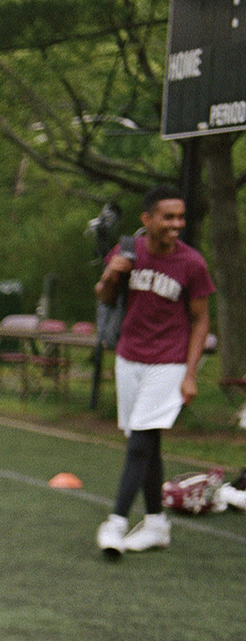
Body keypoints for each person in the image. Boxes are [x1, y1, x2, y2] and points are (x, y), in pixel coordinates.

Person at [93, 185, 213, 557]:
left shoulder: (192, 263)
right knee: (148, 444)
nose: (176, 224)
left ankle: (115, 523)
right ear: (147, 220)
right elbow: (105, 297)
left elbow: (200, 321)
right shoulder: (128, 250)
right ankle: (158, 524)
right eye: (168, 217)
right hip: (130, 357)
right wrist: (112, 274)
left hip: (169, 363)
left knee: (139, 443)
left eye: (181, 217)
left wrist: (190, 374)